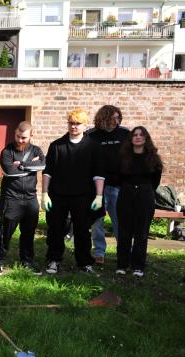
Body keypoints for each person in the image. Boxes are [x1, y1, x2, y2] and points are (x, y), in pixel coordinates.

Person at [42, 108, 105, 274]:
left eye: (78, 123)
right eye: (71, 123)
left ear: (85, 125)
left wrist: (99, 196)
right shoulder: (57, 145)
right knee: (55, 229)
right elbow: (48, 172)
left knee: (82, 230)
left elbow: (98, 174)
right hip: (58, 195)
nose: (74, 126)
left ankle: (84, 262)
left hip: (84, 195)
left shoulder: (93, 146)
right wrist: (44, 193)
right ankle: (53, 260)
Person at [0, 121, 45, 275]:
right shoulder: (7, 151)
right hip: (11, 198)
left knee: (29, 233)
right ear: (15, 133)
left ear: (31, 136)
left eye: (24, 138)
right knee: (5, 233)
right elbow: (9, 171)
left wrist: (21, 164)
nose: (20, 140)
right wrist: (30, 166)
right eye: (18, 136)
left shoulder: (36, 150)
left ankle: (27, 261)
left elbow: (42, 165)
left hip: (30, 198)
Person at [115, 126, 163, 277]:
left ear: (146, 138)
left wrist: (143, 189)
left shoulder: (153, 158)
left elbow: (156, 181)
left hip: (145, 195)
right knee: (124, 232)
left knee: (141, 232)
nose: (137, 137)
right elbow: (118, 178)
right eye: (135, 135)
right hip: (126, 194)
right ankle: (122, 265)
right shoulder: (123, 157)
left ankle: (138, 266)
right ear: (130, 138)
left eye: (141, 135)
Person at [87, 105, 130, 265]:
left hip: (118, 185)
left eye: (118, 118)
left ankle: (123, 251)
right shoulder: (91, 135)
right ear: (103, 118)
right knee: (97, 221)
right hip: (97, 186)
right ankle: (99, 252)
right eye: (113, 118)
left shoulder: (125, 134)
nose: (116, 121)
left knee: (120, 220)